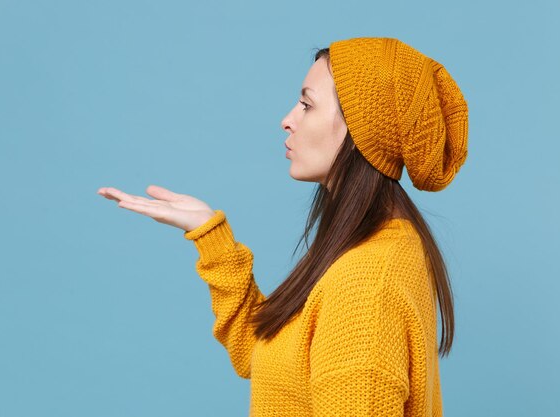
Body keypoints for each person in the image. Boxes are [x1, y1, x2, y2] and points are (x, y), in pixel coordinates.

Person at [97, 36, 468, 417]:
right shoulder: (377, 244)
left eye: (307, 105)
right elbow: (264, 354)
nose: (287, 119)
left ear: (362, 130)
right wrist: (211, 236)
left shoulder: (366, 285)